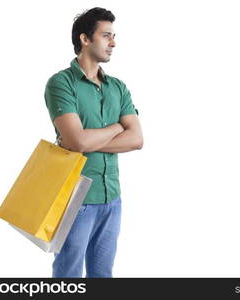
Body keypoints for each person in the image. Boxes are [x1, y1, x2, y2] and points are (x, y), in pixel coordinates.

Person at [44, 7, 143, 278]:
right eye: (106, 35)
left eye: (114, 36)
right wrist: (117, 126)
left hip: (112, 197)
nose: (113, 42)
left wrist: (85, 141)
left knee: (103, 276)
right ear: (85, 39)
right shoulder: (61, 83)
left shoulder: (118, 87)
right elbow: (77, 141)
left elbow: (136, 140)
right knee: (68, 275)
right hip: (76, 198)